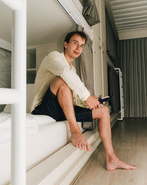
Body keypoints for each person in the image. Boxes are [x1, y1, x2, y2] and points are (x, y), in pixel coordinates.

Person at [31, 31, 136, 171]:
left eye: (82, 45)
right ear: (65, 44)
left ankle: (112, 159)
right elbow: (65, 74)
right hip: (43, 109)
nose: (78, 48)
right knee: (61, 81)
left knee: (103, 111)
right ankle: (75, 133)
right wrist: (87, 97)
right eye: (75, 43)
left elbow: (72, 98)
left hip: (61, 109)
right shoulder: (54, 57)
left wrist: (91, 102)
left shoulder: (72, 69)